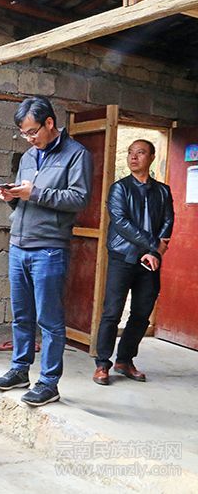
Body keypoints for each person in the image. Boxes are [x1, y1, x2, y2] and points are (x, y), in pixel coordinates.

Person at [0, 96, 92, 407]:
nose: (29, 139)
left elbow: (79, 199)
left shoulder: (77, 154)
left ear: (50, 123)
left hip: (49, 248)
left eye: (33, 132)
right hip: (19, 244)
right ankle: (19, 370)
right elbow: (26, 200)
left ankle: (49, 383)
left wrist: (34, 193)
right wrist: (13, 197)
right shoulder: (28, 156)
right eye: (24, 134)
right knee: (22, 316)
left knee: (49, 320)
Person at [93, 140, 174, 385]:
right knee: (112, 312)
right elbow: (122, 224)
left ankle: (125, 360)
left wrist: (155, 253)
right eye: (130, 153)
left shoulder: (162, 191)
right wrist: (152, 247)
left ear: (152, 157)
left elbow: (168, 221)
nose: (133, 157)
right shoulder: (120, 188)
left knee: (141, 314)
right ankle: (102, 364)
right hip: (123, 258)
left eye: (140, 153)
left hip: (150, 261)